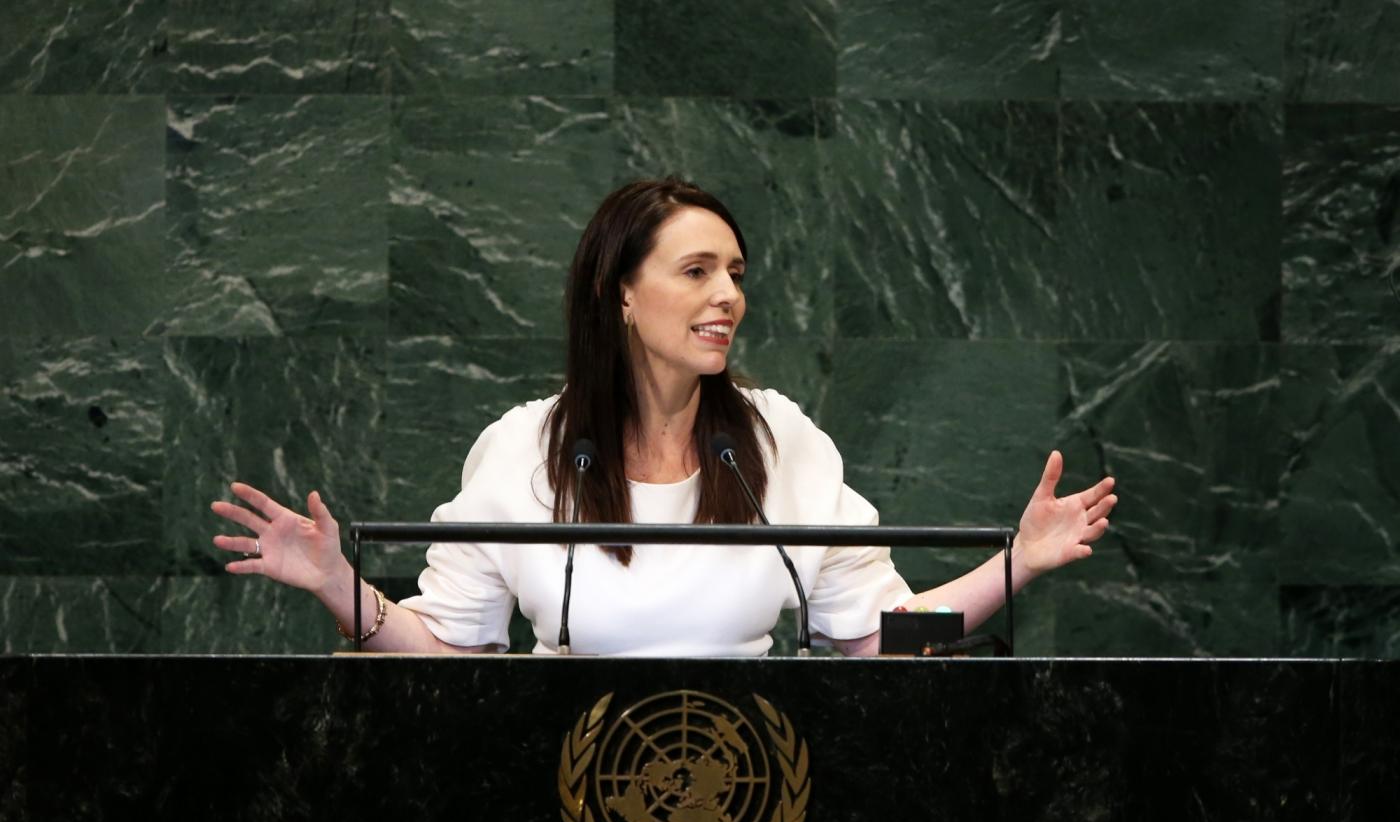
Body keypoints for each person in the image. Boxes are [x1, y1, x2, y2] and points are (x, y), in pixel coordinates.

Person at [211, 178, 1117, 656]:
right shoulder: (525, 451)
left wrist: (1016, 563)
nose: (728, 295)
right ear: (621, 297)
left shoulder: (778, 442)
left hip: (757, 792)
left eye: (736, 273)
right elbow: (453, 651)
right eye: (696, 272)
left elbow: (877, 636)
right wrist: (336, 582)